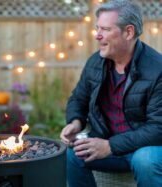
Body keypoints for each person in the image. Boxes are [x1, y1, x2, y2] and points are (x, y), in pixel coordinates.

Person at [60, 0, 162, 186]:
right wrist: (75, 122)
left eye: (105, 29)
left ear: (129, 32)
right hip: (109, 144)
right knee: (72, 153)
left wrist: (110, 146)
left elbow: (158, 128)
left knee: (145, 160)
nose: (97, 35)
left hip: (147, 148)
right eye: (98, 28)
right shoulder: (95, 62)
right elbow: (78, 99)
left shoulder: (158, 69)